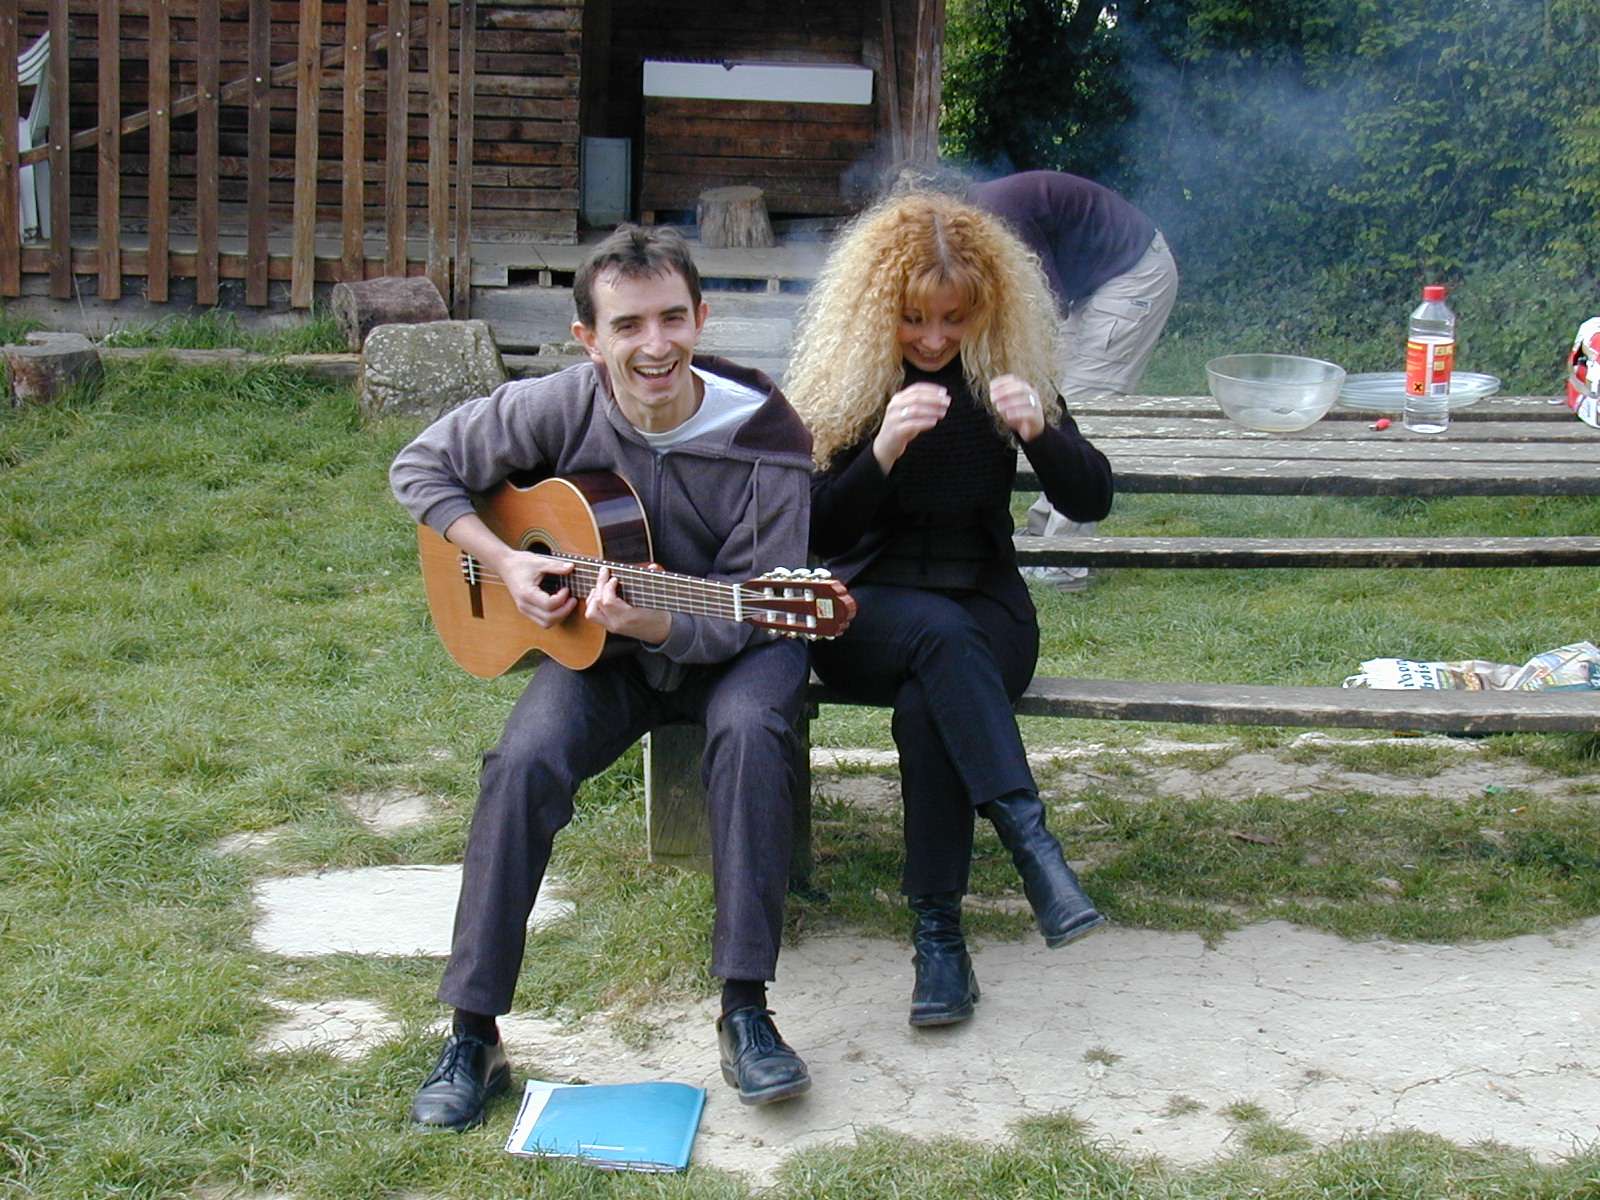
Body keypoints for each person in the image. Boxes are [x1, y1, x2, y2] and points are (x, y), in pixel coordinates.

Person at [390, 225, 816, 1127]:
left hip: (740, 641)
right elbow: (420, 466)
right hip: (603, 650)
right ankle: (473, 1032)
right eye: (628, 325)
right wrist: (505, 561)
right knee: (521, 763)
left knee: (751, 734)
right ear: (588, 338)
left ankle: (745, 1010)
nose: (654, 345)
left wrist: (659, 621)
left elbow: (762, 602)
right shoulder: (557, 404)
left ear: (702, 317)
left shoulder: (765, 430)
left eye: (672, 318)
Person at [784, 191, 1115, 1027]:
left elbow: (1092, 498)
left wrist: (1042, 433)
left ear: (985, 308)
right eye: (913, 319)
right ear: (878, 312)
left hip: (986, 609)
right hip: (863, 612)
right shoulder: (854, 385)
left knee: (934, 693)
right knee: (937, 638)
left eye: (953, 319)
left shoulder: (1001, 373)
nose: (934, 339)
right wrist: (884, 448)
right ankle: (1031, 847)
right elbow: (817, 530)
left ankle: (941, 942)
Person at [968, 169, 1178, 590]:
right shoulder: (973, 214)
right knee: (1054, 398)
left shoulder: (997, 217)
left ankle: (1065, 562)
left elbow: (1045, 304)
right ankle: (1043, 534)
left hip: (1134, 275)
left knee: (1084, 406)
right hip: (1095, 282)